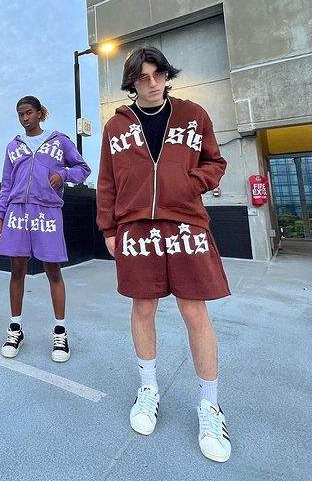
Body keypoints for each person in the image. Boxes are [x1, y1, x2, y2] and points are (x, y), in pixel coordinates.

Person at [97, 47, 231, 463]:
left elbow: (215, 161)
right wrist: (108, 228)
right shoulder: (115, 127)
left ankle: (210, 405)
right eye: (143, 77)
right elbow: (106, 181)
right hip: (136, 227)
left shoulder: (193, 115)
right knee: (143, 308)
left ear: (166, 76)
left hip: (186, 223)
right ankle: (148, 388)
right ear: (132, 83)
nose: (152, 83)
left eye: (158, 75)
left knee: (195, 312)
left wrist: (191, 183)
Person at [0, 96, 90, 362]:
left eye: (29, 112)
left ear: (40, 113)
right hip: (16, 212)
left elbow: (83, 168)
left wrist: (64, 175)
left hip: (47, 211)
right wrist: (0, 214)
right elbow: (6, 183)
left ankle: (60, 331)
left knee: (53, 271)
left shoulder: (60, 141)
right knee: (17, 270)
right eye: (20, 114)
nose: (25, 118)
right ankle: (15, 328)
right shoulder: (13, 147)